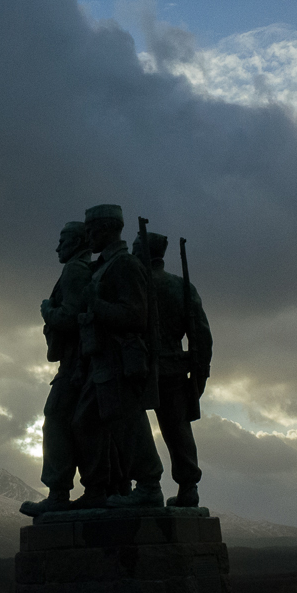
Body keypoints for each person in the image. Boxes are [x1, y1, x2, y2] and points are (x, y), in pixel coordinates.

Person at [76, 204, 164, 509]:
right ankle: (98, 489)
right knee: (84, 422)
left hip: (119, 359)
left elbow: (136, 316)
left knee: (128, 422)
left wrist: (96, 304)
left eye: (91, 230)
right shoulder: (105, 266)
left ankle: (149, 485)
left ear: (105, 229)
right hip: (100, 359)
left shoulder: (124, 265)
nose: (88, 236)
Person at [131, 231, 212, 507]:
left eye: (135, 247)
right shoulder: (181, 286)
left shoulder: (136, 286)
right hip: (174, 369)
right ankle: (188, 487)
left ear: (143, 252)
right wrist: (200, 375)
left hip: (139, 369)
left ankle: (141, 484)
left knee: (132, 425)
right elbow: (201, 336)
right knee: (178, 430)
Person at [20, 222, 92, 517]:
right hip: (81, 361)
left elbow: (70, 316)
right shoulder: (84, 269)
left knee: (56, 420)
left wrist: (47, 311)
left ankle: (58, 492)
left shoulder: (74, 270)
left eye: (63, 241)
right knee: (79, 424)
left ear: (77, 243)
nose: (57, 247)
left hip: (76, 363)